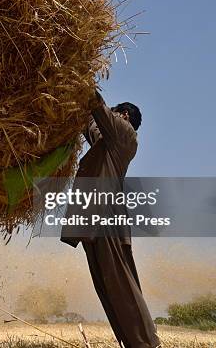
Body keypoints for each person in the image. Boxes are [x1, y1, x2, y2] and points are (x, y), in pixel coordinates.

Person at [60, 91, 161, 348]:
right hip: (92, 221)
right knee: (106, 287)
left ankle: (147, 343)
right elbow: (91, 123)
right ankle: (132, 342)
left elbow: (96, 106)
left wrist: (79, 75)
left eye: (115, 114)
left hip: (108, 220)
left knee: (121, 286)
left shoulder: (126, 135)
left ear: (124, 115)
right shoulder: (108, 142)